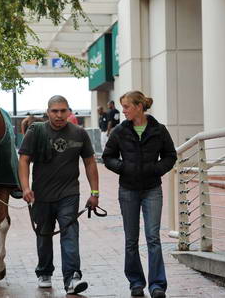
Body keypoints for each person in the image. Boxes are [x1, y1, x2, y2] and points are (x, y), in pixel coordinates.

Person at [18, 95, 99, 295]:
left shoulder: (79, 133)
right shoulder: (36, 132)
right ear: (48, 112)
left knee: (70, 234)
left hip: (69, 194)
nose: (59, 115)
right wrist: (26, 187)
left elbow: (90, 162)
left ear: (69, 111)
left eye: (63, 110)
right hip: (41, 195)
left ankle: (72, 277)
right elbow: (24, 160)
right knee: (44, 235)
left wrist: (95, 192)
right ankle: (44, 272)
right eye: (55, 111)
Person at [102, 91, 176, 298]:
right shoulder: (120, 131)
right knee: (131, 239)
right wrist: (123, 167)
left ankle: (157, 285)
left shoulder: (159, 130)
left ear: (138, 107)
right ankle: (136, 282)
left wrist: (156, 169)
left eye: (126, 107)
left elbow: (170, 156)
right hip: (128, 190)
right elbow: (108, 157)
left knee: (153, 238)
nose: (123, 111)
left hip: (152, 189)